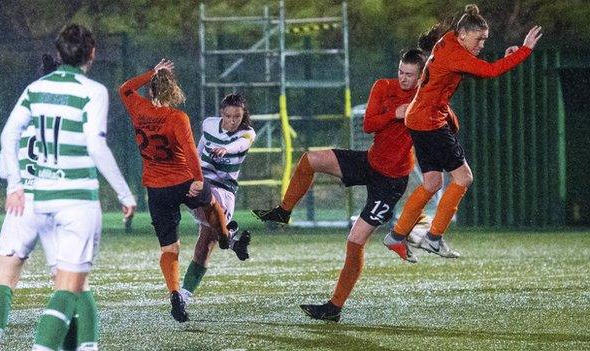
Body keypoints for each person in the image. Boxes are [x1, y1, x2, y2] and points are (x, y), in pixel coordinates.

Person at [254, 49, 427, 321]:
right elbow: (369, 124)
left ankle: (333, 308)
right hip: (369, 162)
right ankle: (283, 211)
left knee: (355, 242)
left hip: (391, 183)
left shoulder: (425, 98)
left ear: (420, 76)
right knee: (309, 160)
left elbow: (446, 120)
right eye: (400, 72)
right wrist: (396, 112)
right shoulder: (383, 87)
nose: (403, 79)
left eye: (410, 75)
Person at [0, 24, 137, 351]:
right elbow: (96, 146)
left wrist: (14, 186)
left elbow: (8, 139)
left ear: (59, 53)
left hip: (36, 202)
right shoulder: (94, 91)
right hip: (76, 201)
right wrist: (124, 192)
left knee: (6, 284)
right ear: (92, 53)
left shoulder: (35, 90)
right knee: (71, 288)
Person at [384, 4, 542, 260]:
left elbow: (474, 68)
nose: (481, 44)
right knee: (463, 178)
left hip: (418, 118)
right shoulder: (455, 53)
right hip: (430, 123)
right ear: (462, 35)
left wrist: (504, 57)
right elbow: (488, 71)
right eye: (479, 39)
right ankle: (433, 239)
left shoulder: (449, 41)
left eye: (484, 40)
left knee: (433, 183)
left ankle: (396, 235)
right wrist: (524, 51)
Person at [0, 55, 102, 351]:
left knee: (4, 280)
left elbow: (4, 169)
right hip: (60, 204)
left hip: (23, 204)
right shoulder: (73, 115)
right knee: (72, 286)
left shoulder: (24, 116)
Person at [119, 59, 234, 323]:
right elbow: (190, 149)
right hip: (183, 180)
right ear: (172, 92)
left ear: (151, 91)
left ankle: (175, 293)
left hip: (157, 188)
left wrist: (152, 71)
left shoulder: (137, 108)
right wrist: (197, 178)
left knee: (169, 248)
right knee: (213, 204)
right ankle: (225, 235)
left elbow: (125, 89)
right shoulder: (177, 117)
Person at [180, 93, 255, 303]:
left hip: (224, 188)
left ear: (243, 115)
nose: (233, 121)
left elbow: (240, 145)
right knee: (207, 237)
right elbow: (199, 148)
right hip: (202, 180)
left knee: (206, 243)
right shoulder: (209, 125)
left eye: (237, 117)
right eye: (229, 116)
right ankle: (230, 238)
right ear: (221, 114)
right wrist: (191, 171)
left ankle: (184, 295)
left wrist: (226, 149)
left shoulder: (248, 133)